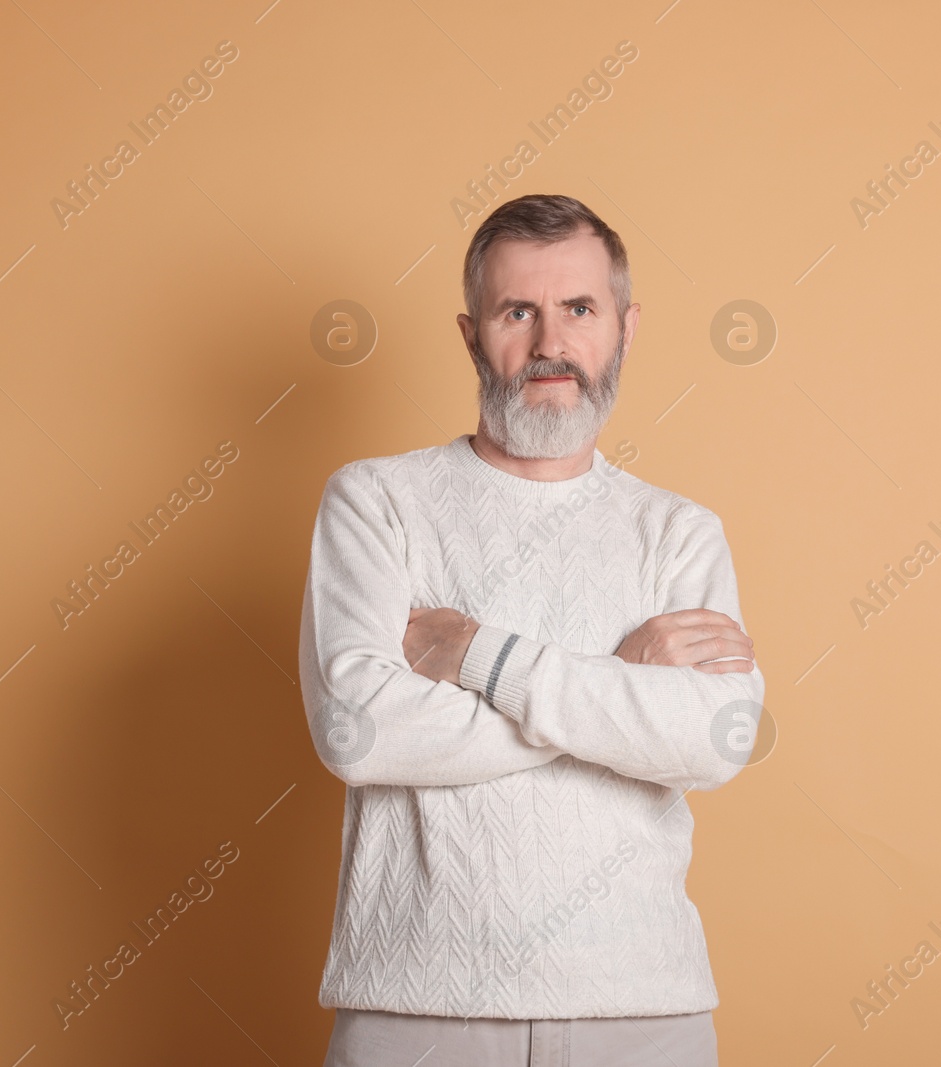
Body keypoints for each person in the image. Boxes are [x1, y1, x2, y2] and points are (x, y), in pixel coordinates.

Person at [300, 193, 765, 1066]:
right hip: (416, 1008)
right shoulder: (377, 501)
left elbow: (713, 738)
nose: (551, 343)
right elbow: (358, 730)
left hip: (643, 1012)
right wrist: (616, 686)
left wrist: (475, 652)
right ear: (473, 335)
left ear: (625, 329)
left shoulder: (677, 531)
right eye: (519, 311)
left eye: (578, 310)